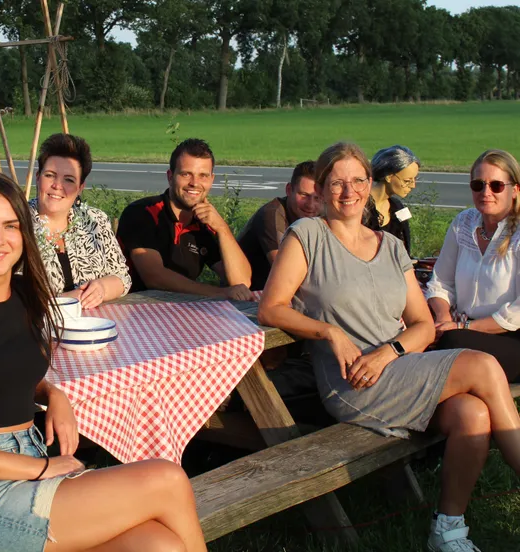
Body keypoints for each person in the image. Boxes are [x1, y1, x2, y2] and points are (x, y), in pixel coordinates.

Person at [0, 172, 206, 552]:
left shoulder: (24, 297)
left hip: (34, 472)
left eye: (10, 226)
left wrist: (51, 391)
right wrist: (41, 468)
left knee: (161, 547)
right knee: (167, 479)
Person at [258, 142, 520, 552]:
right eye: (337, 182)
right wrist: (330, 332)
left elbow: (421, 325)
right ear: (323, 188)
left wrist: (390, 352)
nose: (349, 191)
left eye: (358, 180)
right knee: (483, 366)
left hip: (397, 366)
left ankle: (447, 530)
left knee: (472, 412)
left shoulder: (390, 245)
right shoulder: (307, 235)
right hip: (354, 380)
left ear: (369, 183)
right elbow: (271, 309)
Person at [116, 138, 253, 299]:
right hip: (133, 309)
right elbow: (154, 277)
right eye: (186, 174)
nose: (194, 183)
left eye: (203, 176)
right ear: (170, 176)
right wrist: (219, 293)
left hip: (183, 310)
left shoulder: (206, 223)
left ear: (211, 180)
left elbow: (242, 281)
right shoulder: (143, 212)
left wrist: (223, 229)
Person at [427, 149, 520, 382]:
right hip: (461, 328)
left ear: (515, 190)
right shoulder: (464, 223)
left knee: (453, 344)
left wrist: (463, 327)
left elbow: (518, 313)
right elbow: (440, 281)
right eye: (478, 185)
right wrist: (442, 318)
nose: (486, 192)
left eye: (496, 185)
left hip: (510, 336)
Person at [30, 133, 130, 310]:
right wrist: (62, 301)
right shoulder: (16, 223)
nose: (57, 186)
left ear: (80, 187)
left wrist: (101, 288)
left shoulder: (95, 220)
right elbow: (5, 294)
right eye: (50, 175)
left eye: (69, 179)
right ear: (38, 177)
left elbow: (122, 277)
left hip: (91, 330)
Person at [237, 160, 320, 291]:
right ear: (288, 190)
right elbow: (285, 271)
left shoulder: (322, 215)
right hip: (248, 295)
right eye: (304, 195)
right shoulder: (271, 215)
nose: (310, 204)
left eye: (317, 198)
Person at [365, 145, 421, 254]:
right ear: (388, 177)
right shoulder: (359, 207)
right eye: (407, 180)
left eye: (415, 179)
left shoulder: (398, 207)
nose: (413, 185)